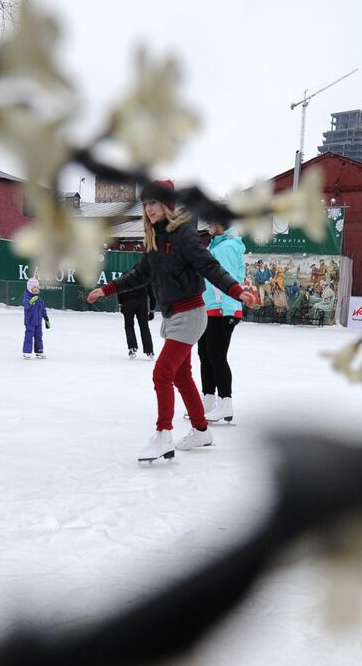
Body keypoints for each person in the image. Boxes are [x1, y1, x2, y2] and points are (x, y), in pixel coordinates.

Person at [86, 180, 258, 461]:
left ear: (168, 205)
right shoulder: (156, 240)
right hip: (173, 315)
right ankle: (202, 430)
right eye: (146, 204)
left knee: (162, 374)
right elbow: (141, 273)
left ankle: (163, 435)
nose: (149, 209)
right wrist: (107, 289)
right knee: (180, 375)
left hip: (190, 313)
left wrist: (236, 291)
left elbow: (210, 266)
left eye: (154, 203)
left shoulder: (183, 235)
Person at [196, 219, 246, 424]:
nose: (208, 226)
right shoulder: (215, 245)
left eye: (211, 223)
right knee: (205, 355)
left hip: (222, 309)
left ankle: (226, 403)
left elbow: (228, 279)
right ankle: (209, 399)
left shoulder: (226, 248)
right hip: (209, 308)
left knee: (217, 356)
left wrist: (228, 311)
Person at [116, 256, 155, 359]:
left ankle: (132, 348)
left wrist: (120, 304)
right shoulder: (146, 277)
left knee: (129, 326)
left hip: (128, 303)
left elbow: (119, 289)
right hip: (142, 304)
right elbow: (152, 295)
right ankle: (149, 351)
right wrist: (151, 311)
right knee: (144, 327)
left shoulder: (126, 274)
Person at [22, 276, 49, 359]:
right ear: (30, 288)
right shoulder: (27, 297)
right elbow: (26, 305)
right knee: (29, 336)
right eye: (34, 288)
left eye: (37, 287)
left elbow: (42, 308)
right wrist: (31, 301)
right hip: (30, 322)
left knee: (39, 336)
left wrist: (46, 318)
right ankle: (26, 352)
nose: (36, 289)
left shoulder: (39, 298)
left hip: (38, 322)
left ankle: (39, 350)